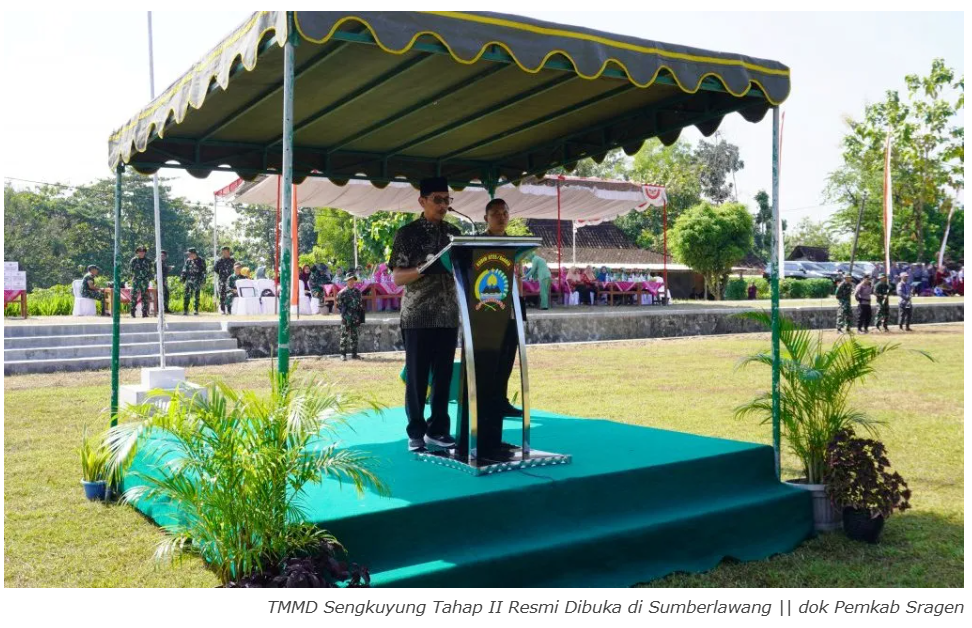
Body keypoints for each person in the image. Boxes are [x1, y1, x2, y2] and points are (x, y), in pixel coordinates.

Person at [389, 177, 462, 453]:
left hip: (448, 314)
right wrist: (424, 268)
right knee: (417, 378)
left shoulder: (455, 233)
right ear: (422, 201)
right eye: (437, 200)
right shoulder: (407, 234)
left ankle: (438, 430)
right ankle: (416, 432)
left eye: (447, 200)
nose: (443, 205)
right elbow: (397, 278)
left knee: (443, 378)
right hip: (418, 315)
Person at [482, 198, 524, 426]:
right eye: (496, 213)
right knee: (490, 359)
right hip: (486, 310)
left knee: (508, 356)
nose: (501, 217)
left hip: (512, 308)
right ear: (486, 218)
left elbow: (519, 276)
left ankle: (501, 399)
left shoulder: (517, 245)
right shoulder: (478, 243)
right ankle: (486, 401)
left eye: (505, 213)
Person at [337, 273, 365, 361]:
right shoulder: (342, 293)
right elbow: (339, 306)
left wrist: (360, 317)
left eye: (353, 280)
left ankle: (354, 354)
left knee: (355, 337)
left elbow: (360, 305)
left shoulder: (358, 292)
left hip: (355, 317)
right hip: (346, 317)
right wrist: (345, 315)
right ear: (346, 281)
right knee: (344, 336)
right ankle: (343, 355)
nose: (351, 282)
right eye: (349, 280)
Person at [129, 245, 154, 318]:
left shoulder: (148, 261)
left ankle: (144, 312)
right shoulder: (134, 260)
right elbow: (130, 270)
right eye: (140, 251)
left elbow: (151, 271)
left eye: (143, 252)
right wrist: (136, 276)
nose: (142, 253)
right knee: (134, 296)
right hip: (136, 280)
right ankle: (132, 311)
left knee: (145, 296)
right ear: (137, 252)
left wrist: (148, 278)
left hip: (145, 280)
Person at [180, 248, 206, 315]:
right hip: (189, 279)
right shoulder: (188, 260)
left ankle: (195, 310)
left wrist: (203, 281)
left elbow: (203, 272)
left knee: (196, 296)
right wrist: (182, 279)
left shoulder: (201, 260)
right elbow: (184, 270)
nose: (189, 255)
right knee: (186, 295)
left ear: (194, 254)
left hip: (197, 279)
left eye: (189, 254)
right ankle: (185, 310)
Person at [213, 246, 236, 315]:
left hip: (230, 281)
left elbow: (235, 269)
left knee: (230, 295)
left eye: (225, 252)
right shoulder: (219, 261)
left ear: (229, 252)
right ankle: (223, 310)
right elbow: (215, 269)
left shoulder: (232, 261)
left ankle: (229, 310)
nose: (224, 254)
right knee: (222, 295)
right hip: (222, 281)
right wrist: (222, 275)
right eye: (223, 252)